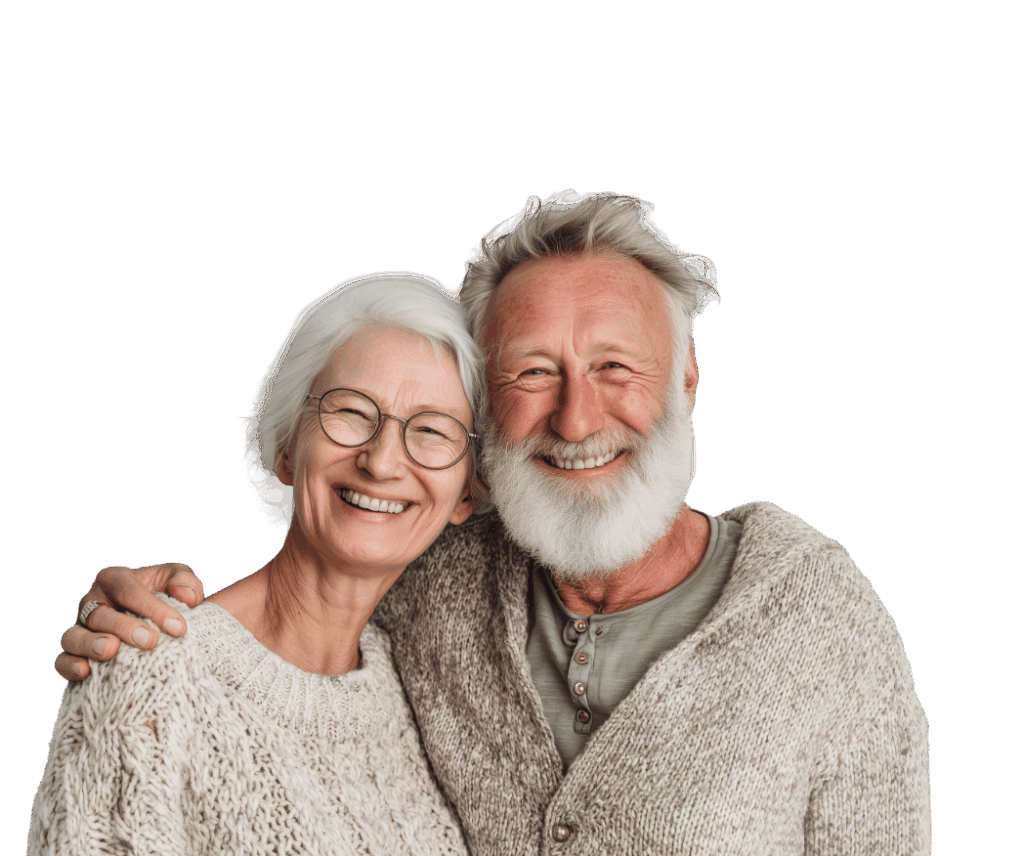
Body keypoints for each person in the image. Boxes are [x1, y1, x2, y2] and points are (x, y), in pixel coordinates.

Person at [55, 191, 931, 855]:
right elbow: (286, 634)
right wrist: (145, 619)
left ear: (686, 379)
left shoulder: (822, 627)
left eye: (616, 366)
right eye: (532, 373)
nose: (578, 419)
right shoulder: (433, 581)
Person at [30, 273, 484, 855]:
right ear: (288, 445)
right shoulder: (152, 668)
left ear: (466, 495)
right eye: (350, 412)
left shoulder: (415, 686)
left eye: (432, 431)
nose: (382, 461)